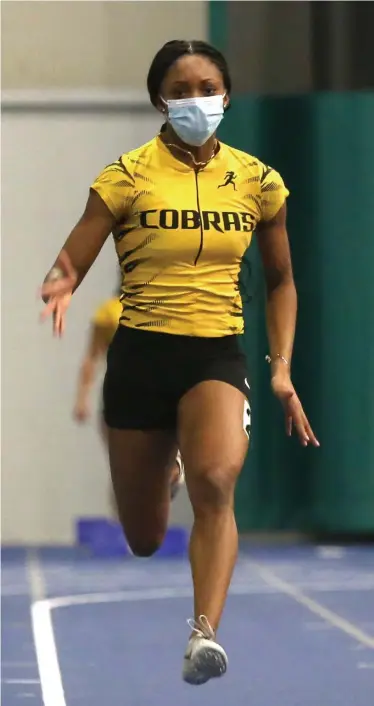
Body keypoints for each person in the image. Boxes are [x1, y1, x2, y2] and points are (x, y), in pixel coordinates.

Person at [40, 39, 319, 686]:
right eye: (183, 90)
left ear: (226, 94)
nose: (197, 100)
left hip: (215, 351)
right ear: (159, 100)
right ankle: (163, 466)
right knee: (142, 537)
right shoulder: (126, 175)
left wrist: (280, 369)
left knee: (217, 482)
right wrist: (61, 282)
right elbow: (75, 255)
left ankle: (204, 633)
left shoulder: (257, 180)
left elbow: (281, 280)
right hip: (142, 354)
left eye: (208, 88)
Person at [73, 281, 184, 504]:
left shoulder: (165, 309)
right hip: (120, 400)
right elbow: (91, 357)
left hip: (157, 398)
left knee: (154, 461)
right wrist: (82, 399)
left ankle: (172, 468)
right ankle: (125, 529)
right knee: (123, 469)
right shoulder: (109, 312)